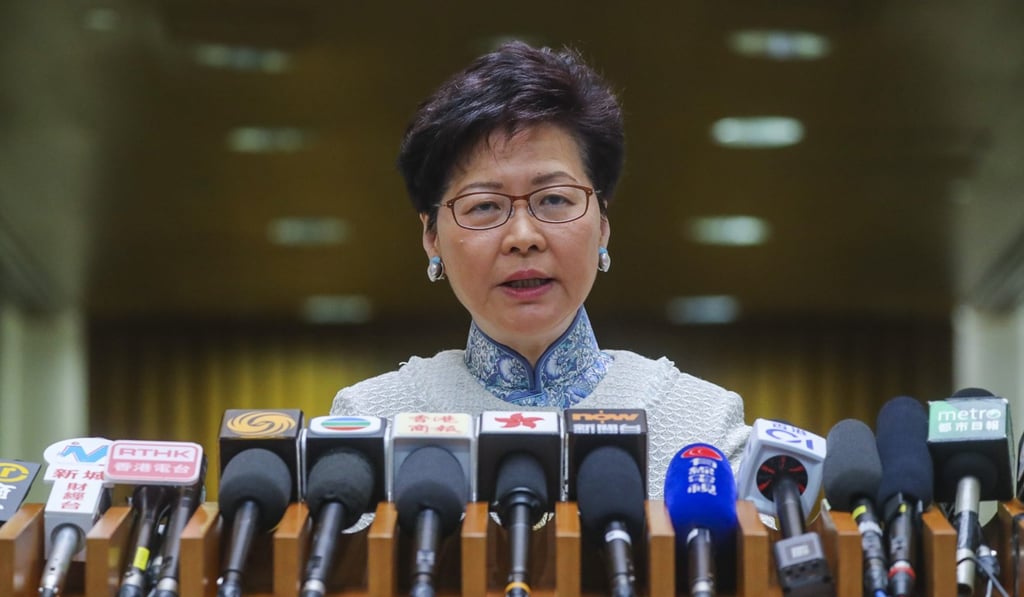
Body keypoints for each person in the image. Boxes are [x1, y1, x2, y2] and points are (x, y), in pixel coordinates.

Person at [330, 40, 749, 498]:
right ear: (432, 238)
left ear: (603, 224)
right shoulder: (373, 421)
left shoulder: (700, 422)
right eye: (485, 206)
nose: (523, 237)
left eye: (553, 199)